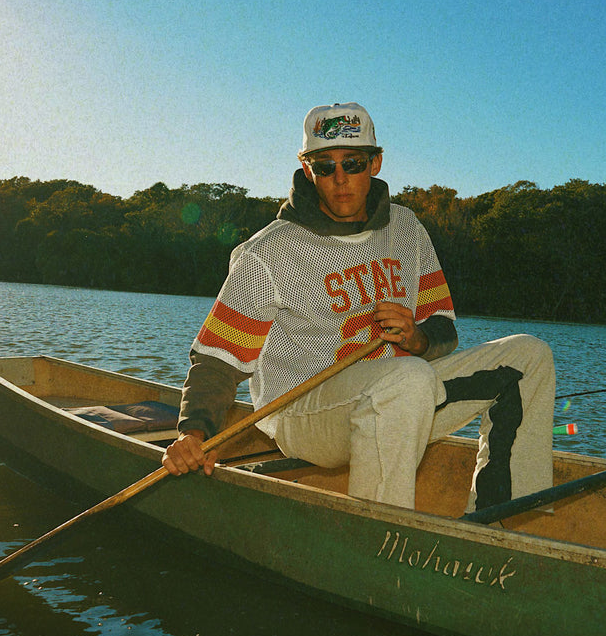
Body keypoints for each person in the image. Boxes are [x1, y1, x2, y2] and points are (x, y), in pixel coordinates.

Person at [162, 102, 556, 511]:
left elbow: (443, 328)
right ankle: (381, 533)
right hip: (303, 414)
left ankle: (504, 516)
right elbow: (217, 359)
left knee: (528, 356)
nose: (339, 179)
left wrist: (418, 338)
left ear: (375, 163)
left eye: (352, 163)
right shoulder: (268, 252)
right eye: (324, 166)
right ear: (306, 169)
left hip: (402, 398)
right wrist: (194, 433)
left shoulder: (406, 228)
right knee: (406, 379)